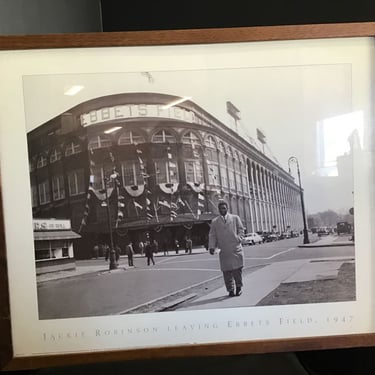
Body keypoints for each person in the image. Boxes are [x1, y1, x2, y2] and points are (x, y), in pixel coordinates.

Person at [208, 201, 245, 297]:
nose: (222, 210)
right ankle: (230, 290)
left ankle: (239, 288)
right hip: (224, 250)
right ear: (218, 210)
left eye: (224, 208)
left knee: (237, 270)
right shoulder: (215, 222)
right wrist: (212, 247)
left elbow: (241, 229)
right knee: (226, 272)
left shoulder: (235, 218)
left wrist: (239, 238)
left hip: (235, 248)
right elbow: (212, 235)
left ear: (227, 208)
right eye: (220, 209)